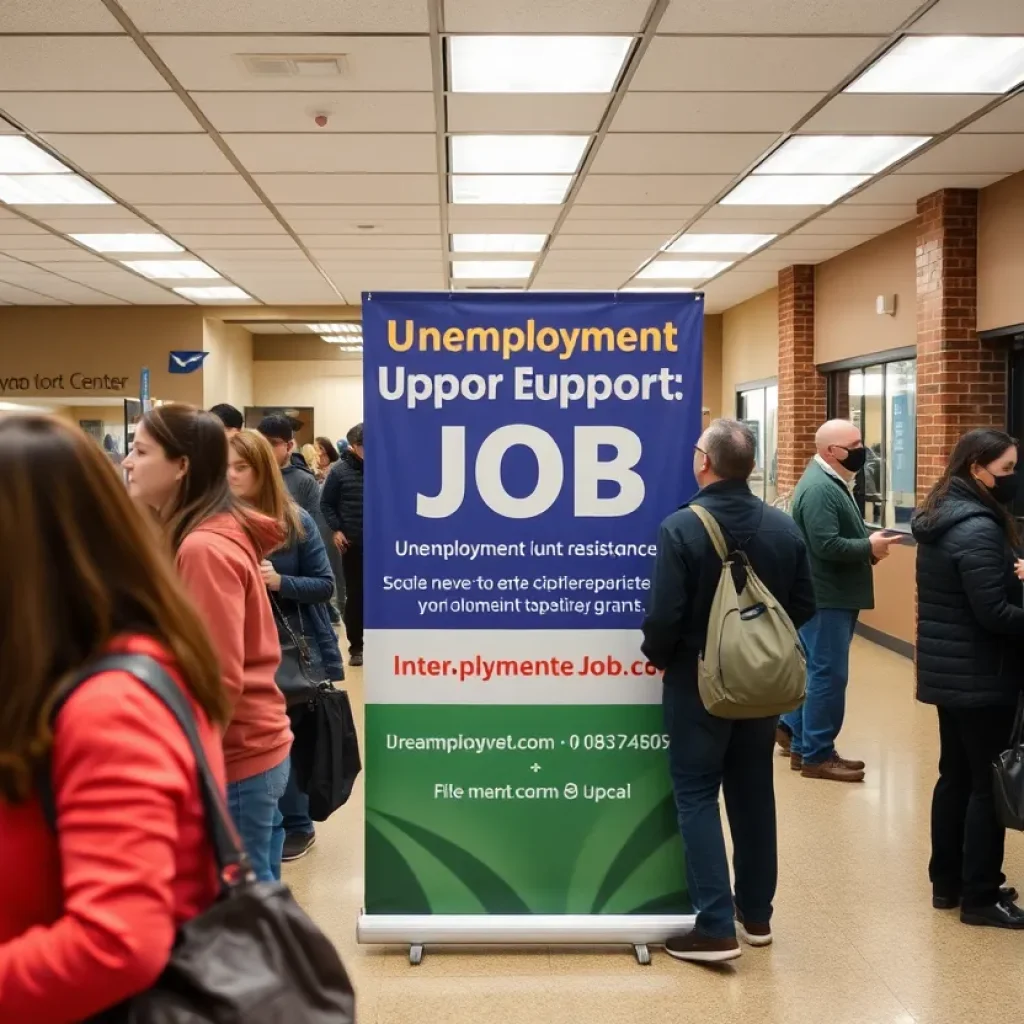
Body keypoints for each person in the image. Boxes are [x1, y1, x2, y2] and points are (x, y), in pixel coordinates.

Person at [0, 415, 229, 1020]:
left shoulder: (113, 704)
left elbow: (118, 943)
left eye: (140, 450)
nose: (128, 462)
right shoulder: (61, 669)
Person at [642, 419, 816, 964]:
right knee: (753, 792)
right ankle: (756, 917)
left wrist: (662, 657)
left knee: (696, 793)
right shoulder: (783, 528)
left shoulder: (681, 528)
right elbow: (805, 605)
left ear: (705, 463)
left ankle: (714, 926)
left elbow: (664, 615)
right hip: (762, 687)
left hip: (698, 683)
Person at [122, 404, 293, 882]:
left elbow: (215, 676)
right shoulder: (196, 533)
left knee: (242, 911)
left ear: (182, 467)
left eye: (139, 451)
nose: (127, 462)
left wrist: (176, 770)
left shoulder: (202, 548)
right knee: (252, 900)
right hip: (246, 749)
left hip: (236, 754)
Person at [914, 428, 1024, 928]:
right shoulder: (978, 528)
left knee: (955, 776)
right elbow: (995, 614)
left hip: (951, 673)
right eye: (1005, 471)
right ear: (976, 469)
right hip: (982, 676)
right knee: (986, 785)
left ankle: (948, 882)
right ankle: (980, 896)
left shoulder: (942, 515)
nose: (1012, 479)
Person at [228, 429, 344, 862]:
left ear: (262, 470)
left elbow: (325, 585)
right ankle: (274, 820)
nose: (231, 475)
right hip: (242, 647)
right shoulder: (215, 523)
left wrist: (280, 581)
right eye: (225, 467)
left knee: (288, 737)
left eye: (241, 467)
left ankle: (296, 822)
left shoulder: (295, 521)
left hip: (292, 648)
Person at [777, 419, 900, 782]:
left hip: (831, 594)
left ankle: (801, 742)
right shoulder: (818, 489)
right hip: (825, 596)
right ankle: (817, 754)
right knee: (827, 675)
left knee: (816, 671)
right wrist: (869, 546)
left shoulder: (833, 482)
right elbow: (826, 544)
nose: (864, 450)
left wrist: (867, 545)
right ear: (831, 451)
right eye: (855, 443)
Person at [322, 423, 365, 667]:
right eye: (362, 446)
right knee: (355, 596)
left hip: (384, 544)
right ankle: (356, 646)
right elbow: (326, 503)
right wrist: (336, 529)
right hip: (353, 543)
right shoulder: (339, 471)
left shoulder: (385, 466)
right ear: (353, 446)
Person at [257, 413, 321, 521]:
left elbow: (315, 526)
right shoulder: (250, 474)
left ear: (289, 446)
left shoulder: (305, 481)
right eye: (261, 443)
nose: (266, 449)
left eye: (272, 443)